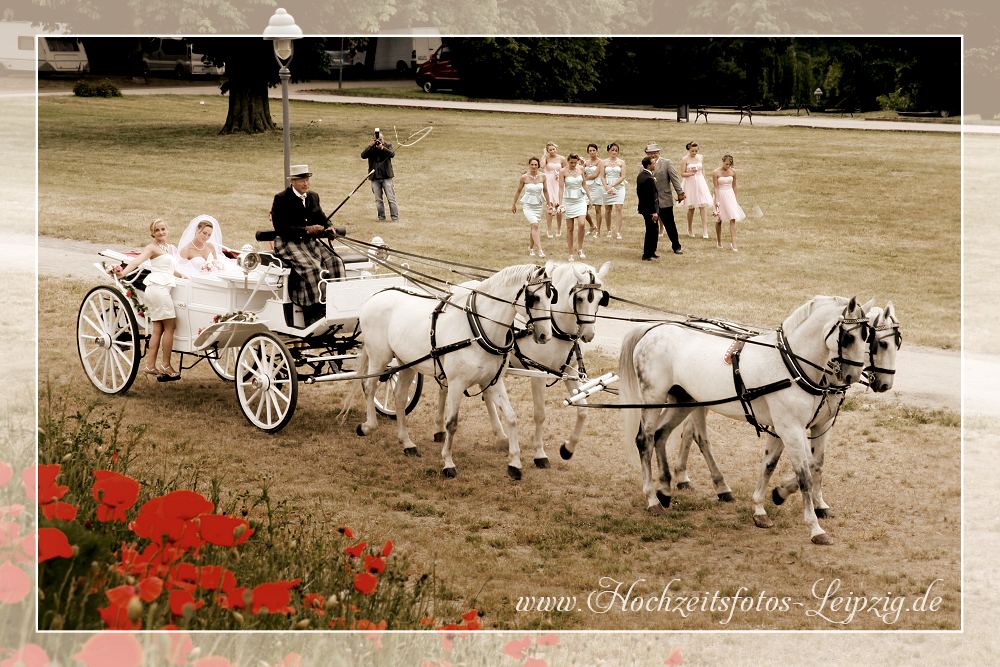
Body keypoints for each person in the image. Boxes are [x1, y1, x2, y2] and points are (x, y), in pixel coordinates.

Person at [270, 164, 345, 325]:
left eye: (307, 180)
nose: (306, 183)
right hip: (289, 242)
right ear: (293, 181)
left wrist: (329, 227)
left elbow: (321, 217)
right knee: (313, 269)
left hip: (310, 243)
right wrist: (307, 230)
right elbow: (281, 228)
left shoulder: (313, 197)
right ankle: (314, 312)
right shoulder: (281, 199)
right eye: (302, 180)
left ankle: (336, 305)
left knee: (336, 262)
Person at [112, 219, 184, 380]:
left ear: (168, 230)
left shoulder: (169, 248)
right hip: (157, 289)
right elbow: (138, 261)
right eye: (157, 230)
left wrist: (184, 276)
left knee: (158, 329)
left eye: (163, 229)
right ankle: (166, 364)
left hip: (161, 288)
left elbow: (171, 270)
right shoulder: (152, 248)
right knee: (170, 327)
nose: (161, 232)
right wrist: (123, 273)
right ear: (152, 233)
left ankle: (150, 365)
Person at [645, 142, 686, 255]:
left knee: (670, 224)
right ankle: (651, 250)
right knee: (652, 227)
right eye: (650, 153)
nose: (653, 155)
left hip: (664, 198)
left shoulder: (667, 163)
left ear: (659, 152)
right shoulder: (644, 164)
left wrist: (680, 193)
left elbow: (674, 179)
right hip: (650, 201)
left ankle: (676, 246)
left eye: (655, 153)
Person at [511, 156, 552, 258]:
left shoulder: (543, 176)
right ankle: (540, 250)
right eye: (532, 165)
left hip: (538, 205)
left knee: (534, 227)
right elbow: (518, 191)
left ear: (538, 166)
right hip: (528, 205)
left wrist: (549, 202)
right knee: (535, 225)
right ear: (529, 165)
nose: (534, 166)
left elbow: (546, 190)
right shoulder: (524, 177)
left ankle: (531, 248)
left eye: (535, 165)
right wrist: (514, 204)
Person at [360, 128, 399, 222]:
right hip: (375, 178)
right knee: (378, 200)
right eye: (377, 140)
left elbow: (392, 154)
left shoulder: (388, 146)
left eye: (381, 139)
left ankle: (395, 218)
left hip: (387, 177)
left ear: (383, 139)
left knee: (391, 199)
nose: (379, 141)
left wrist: (382, 148)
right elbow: (363, 155)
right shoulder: (371, 148)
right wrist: (370, 145)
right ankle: (381, 218)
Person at [560, 153, 592, 262]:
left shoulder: (581, 169)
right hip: (568, 200)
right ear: (568, 161)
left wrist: (590, 198)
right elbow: (560, 188)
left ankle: (580, 248)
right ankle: (570, 253)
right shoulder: (562, 171)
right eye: (571, 162)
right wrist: (560, 203)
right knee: (570, 228)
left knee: (582, 224)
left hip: (580, 199)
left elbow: (584, 184)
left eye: (575, 162)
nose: (573, 164)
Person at [712, 154, 747, 252]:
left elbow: (734, 186)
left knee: (733, 218)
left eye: (729, 164)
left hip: (730, 195)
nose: (727, 166)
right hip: (720, 195)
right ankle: (719, 241)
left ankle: (734, 243)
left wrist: (735, 198)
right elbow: (716, 187)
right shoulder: (716, 172)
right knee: (719, 220)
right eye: (726, 164)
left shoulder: (733, 172)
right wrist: (717, 200)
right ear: (723, 162)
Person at [680, 141, 714, 238]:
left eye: (696, 151)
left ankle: (705, 231)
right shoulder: (685, 159)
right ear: (689, 150)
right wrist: (690, 173)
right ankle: (690, 229)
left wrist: (703, 179)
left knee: (703, 206)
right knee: (691, 208)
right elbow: (682, 173)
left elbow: (702, 169)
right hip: (690, 183)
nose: (694, 153)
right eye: (692, 151)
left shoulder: (700, 157)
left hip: (700, 182)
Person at [636, 156, 660, 261]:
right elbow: (650, 197)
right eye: (653, 163)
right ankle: (647, 254)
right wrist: (654, 212)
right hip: (650, 210)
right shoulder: (648, 178)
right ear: (649, 165)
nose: (655, 165)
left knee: (654, 230)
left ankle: (652, 251)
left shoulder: (641, 175)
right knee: (651, 230)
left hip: (644, 208)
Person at [601, 142, 627, 240]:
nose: (614, 152)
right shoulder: (603, 162)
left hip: (618, 186)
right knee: (608, 209)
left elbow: (623, 176)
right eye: (612, 150)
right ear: (608, 151)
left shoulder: (621, 162)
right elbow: (602, 176)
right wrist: (606, 186)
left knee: (619, 207)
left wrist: (613, 185)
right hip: (606, 186)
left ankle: (618, 232)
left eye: (616, 150)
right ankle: (608, 230)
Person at [541, 142, 567, 238]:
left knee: (558, 205)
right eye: (550, 150)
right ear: (547, 151)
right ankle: (549, 230)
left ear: (556, 149)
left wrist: (560, 175)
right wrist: (544, 154)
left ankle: (559, 229)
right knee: (550, 205)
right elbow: (542, 166)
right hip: (548, 182)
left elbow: (566, 169)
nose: (552, 151)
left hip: (558, 182)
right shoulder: (546, 158)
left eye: (553, 149)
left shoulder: (562, 158)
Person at [582, 143, 605, 237]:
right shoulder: (586, 162)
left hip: (597, 186)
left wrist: (585, 178)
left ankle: (598, 231)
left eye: (593, 150)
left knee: (598, 209)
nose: (592, 152)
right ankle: (592, 225)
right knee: (584, 210)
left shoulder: (600, 162)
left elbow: (595, 174)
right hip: (587, 187)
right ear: (588, 152)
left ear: (597, 151)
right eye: (590, 151)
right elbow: (581, 173)